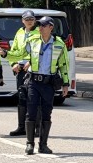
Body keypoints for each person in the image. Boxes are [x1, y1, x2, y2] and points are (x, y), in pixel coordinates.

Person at [24, 16, 69, 155]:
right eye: (39, 26)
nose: (40, 28)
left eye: (43, 25)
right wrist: (9, 56)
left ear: (51, 27)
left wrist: (66, 84)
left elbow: (63, 65)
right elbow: (23, 54)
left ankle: (43, 145)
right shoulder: (32, 41)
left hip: (48, 84)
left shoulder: (59, 44)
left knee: (46, 113)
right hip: (34, 82)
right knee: (31, 112)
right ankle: (29, 144)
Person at [5, 10, 40, 137]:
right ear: (22, 20)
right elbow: (13, 50)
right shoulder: (20, 32)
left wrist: (31, 61)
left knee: (34, 98)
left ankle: (37, 127)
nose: (29, 21)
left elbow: (41, 51)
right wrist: (13, 64)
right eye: (27, 19)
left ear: (35, 20)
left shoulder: (39, 32)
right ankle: (22, 127)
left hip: (34, 69)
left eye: (31, 19)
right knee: (21, 97)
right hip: (20, 68)